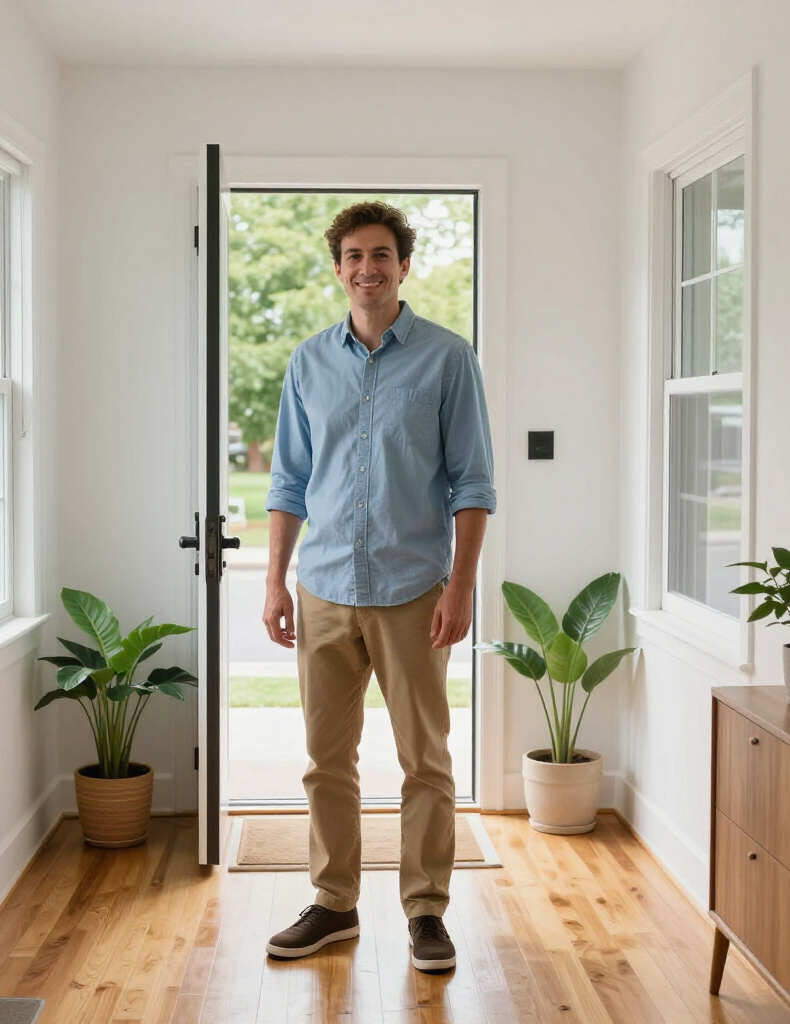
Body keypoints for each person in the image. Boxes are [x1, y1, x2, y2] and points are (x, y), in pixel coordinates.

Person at [261, 201, 496, 973]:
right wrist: (275, 584)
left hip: (412, 593)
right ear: (338, 269)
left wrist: (459, 589)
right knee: (326, 759)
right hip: (324, 586)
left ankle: (426, 910)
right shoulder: (307, 363)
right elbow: (290, 481)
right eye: (355, 256)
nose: (368, 268)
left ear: (404, 265)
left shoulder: (447, 358)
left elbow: (472, 483)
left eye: (382, 254)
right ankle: (334, 903)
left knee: (425, 759)